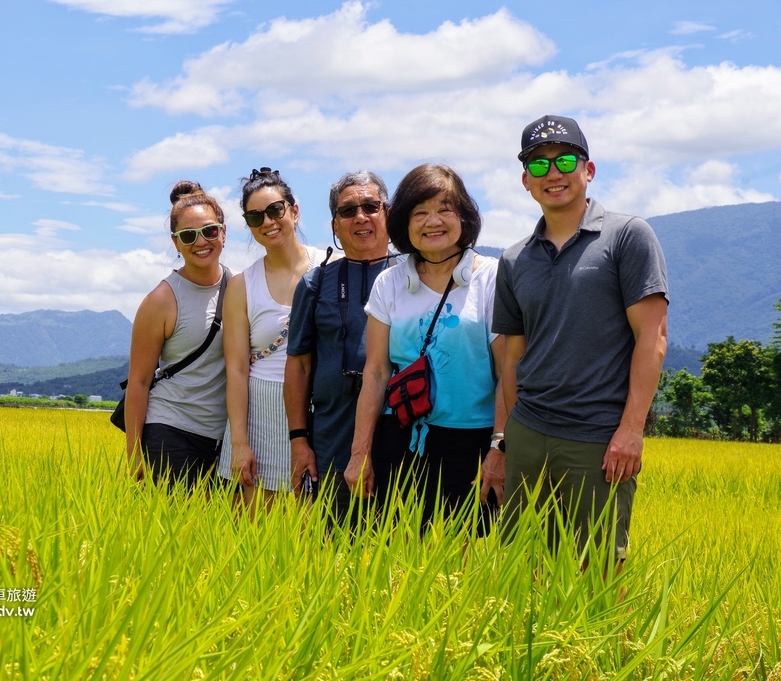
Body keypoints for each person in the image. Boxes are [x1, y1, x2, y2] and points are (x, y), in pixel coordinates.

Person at [493, 115, 669, 563]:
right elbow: (513, 354)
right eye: (538, 165)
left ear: (587, 170)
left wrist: (631, 431)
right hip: (529, 433)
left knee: (597, 567)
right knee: (523, 565)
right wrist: (508, 438)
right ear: (525, 181)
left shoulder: (627, 236)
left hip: (597, 437)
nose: (553, 173)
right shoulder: (515, 260)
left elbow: (653, 336)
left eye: (565, 159)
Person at [346, 164, 507, 533]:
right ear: (404, 222)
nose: (432, 221)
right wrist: (360, 454)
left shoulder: (491, 278)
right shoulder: (390, 282)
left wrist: (499, 448)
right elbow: (375, 371)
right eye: (420, 212)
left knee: (465, 560)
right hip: (399, 437)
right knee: (396, 557)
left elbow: (508, 371)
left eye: (444, 209)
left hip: (471, 443)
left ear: (464, 217)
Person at [285, 170, 395, 524]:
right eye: (348, 211)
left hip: (400, 434)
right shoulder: (315, 283)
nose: (360, 217)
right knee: (331, 540)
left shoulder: (414, 276)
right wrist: (299, 439)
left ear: (387, 214)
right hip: (331, 437)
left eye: (370, 207)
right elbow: (299, 366)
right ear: (335, 225)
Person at [124, 181, 231, 487]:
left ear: (223, 232)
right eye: (188, 235)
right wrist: (134, 454)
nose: (201, 242)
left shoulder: (238, 288)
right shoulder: (161, 300)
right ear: (176, 243)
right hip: (171, 431)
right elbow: (139, 381)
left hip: (224, 440)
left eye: (209, 231)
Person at [218, 168, 314, 512]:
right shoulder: (242, 286)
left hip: (318, 410)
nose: (268, 222)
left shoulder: (330, 265)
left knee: (312, 530)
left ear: (294, 210)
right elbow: (237, 369)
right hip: (260, 413)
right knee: (255, 537)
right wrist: (240, 442)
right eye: (255, 216)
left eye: (275, 210)